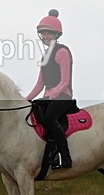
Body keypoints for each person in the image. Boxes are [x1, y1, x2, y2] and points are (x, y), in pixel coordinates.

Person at [25, 9, 74, 169]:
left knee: (48, 118)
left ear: (56, 34)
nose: (46, 37)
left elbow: (65, 81)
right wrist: (26, 99)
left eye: (49, 33)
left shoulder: (62, 52)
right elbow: (40, 83)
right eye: (43, 33)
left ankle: (65, 158)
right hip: (48, 97)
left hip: (63, 96)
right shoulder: (45, 55)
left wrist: (52, 95)